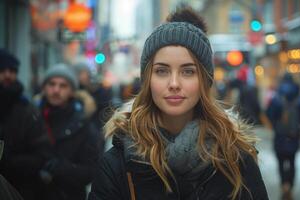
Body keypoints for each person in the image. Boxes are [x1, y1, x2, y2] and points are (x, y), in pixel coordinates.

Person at [89, 7, 268, 200]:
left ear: (204, 81)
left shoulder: (236, 160)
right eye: (162, 71)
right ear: (147, 79)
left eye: (188, 71)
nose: (174, 84)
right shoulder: (117, 165)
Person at [34, 63, 104, 200]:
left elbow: (92, 171)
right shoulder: (31, 117)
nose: (56, 90)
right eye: (52, 84)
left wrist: (61, 168)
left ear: (72, 91)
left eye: (63, 85)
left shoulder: (83, 124)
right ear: (44, 88)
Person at [0, 49, 51, 200]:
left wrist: (8, 162)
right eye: (2, 70)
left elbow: (41, 155)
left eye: (12, 70)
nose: (8, 75)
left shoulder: (27, 109)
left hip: (19, 189)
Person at [266, 73, 300, 200]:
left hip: (280, 135)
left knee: (280, 162)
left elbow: (269, 114)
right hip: (294, 135)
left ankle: (284, 185)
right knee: (292, 161)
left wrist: (275, 125)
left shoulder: (276, 98)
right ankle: (290, 186)